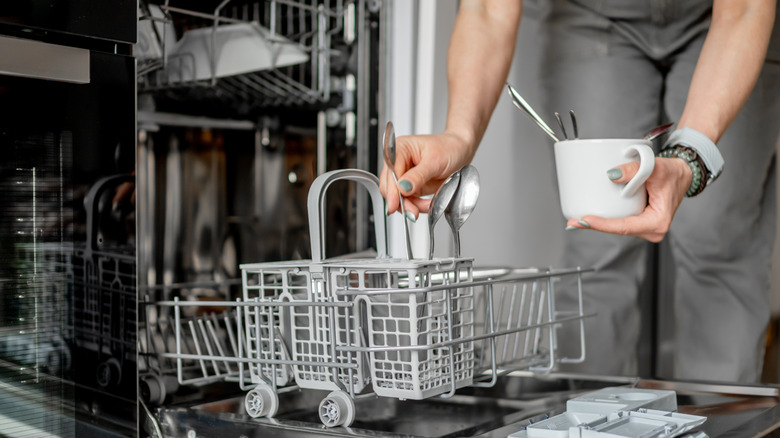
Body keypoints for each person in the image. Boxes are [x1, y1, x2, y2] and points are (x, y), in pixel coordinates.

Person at [380, 0, 780, 382]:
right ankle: (594, 422)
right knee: (596, 237)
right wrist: (459, 136)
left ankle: (721, 424)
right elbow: (486, 8)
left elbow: (744, 8)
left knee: (720, 241)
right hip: (592, 14)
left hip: (726, 16)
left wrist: (690, 158)